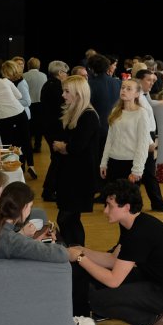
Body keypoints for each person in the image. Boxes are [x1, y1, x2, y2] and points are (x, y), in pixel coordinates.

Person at [70, 180, 163, 325]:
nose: (105, 211)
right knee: (97, 283)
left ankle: (157, 322)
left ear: (126, 207)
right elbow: (113, 260)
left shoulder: (139, 233)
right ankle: (145, 314)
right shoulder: (130, 223)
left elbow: (113, 280)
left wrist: (81, 258)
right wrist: (81, 250)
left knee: (98, 300)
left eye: (110, 206)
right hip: (153, 279)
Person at [0, 182, 74, 265]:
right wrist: (75, 254)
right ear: (23, 208)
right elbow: (60, 254)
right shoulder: (11, 241)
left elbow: (10, 245)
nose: (30, 210)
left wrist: (31, 240)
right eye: (30, 206)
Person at [51, 75, 100, 247]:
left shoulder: (88, 116)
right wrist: (63, 146)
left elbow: (75, 147)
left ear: (79, 94)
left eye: (67, 91)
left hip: (80, 178)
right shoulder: (74, 113)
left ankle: (75, 252)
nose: (63, 95)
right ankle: (74, 252)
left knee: (66, 218)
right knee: (69, 219)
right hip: (71, 175)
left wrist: (62, 146)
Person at [134, 69, 163, 212]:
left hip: (148, 136)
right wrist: (150, 141)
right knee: (145, 171)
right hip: (145, 137)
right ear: (139, 80)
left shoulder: (143, 96)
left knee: (147, 172)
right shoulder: (137, 98)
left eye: (153, 80)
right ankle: (151, 203)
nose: (152, 83)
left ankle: (155, 203)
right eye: (149, 80)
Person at [0, 61, 32, 168]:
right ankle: (28, 165)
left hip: (4, 117)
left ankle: (13, 167)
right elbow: (19, 95)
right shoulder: (5, 81)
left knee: (7, 144)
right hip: (19, 112)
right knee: (25, 140)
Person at [100, 79, 152, 187]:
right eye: (123, 87)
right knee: (112, 195)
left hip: (130, 163)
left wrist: (137, 169)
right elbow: (109, 139)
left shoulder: (141, 113)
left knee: (128, 196)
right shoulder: (115, 111)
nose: (124, 90)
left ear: (137, 94)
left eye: (129, 89)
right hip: (113, 161)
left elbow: (142, 144)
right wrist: (104, 163)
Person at [38, 60, 69, 201]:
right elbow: (60, 108)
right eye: (66, 73)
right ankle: (48, 191)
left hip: (48, 126)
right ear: (60, 73)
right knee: (57, 158)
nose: (67, 75)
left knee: (56, 158)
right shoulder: (57, 87)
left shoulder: (48, 84)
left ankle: (52, 189)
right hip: (54, 128)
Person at [2, 60, 36, 178]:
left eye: (6, 72)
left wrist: (9, 101)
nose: (4, 75)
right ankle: (24, 167)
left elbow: (27, 101)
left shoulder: (21, 83)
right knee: (21, 143)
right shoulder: (10, 82)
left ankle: (26, 167)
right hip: (15, 116)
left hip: (21, 116)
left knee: (23, 142)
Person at [23, 57, 47, 153]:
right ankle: (38, 145)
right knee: (39, 126)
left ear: (28, 65)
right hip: (41, 104)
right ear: (39, 65)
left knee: (28, 126)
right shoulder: (44, 76)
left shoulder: (24, 76)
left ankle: (28, 146)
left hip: (28, 104)